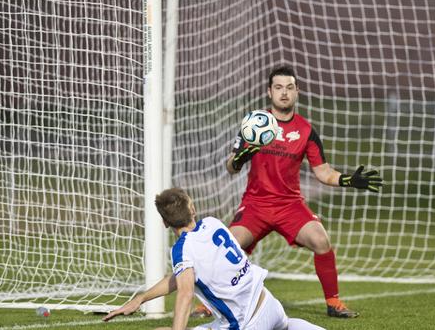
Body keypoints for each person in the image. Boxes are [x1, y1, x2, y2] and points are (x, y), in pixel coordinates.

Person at [208, 65, 382, 319]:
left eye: (289, 87)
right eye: (278, 87)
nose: (284, 93)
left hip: (290, 205)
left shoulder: (306, 130)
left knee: (321, 240)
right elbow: (231, 167)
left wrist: (347, 180)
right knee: (229, 247)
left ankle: (333, 303)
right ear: (269, 92)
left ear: (297, 92)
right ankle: (209, 302)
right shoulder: (255, 124)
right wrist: (240, 157)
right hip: (256, 204)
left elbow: (322, 172)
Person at [103, 187, 324, 330]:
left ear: (165, 223)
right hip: (269, 304)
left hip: (246, 324)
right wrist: (141, 299)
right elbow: (181, 277)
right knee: (284, 327)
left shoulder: (182, 250)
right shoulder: (213, 223)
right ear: (193, 210)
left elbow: (186, 292)